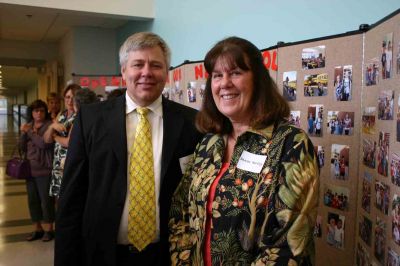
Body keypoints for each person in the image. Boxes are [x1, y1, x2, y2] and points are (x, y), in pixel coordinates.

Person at [54, 32, 202, 266]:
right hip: (104, 254)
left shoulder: (191, 123)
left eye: (156, 65)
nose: (146, 73)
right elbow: (72, 197)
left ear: (166, 72)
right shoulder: (91, 119)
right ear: (124, 71)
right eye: (138, 64)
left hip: (169, 255)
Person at [169, 37, 319, 265]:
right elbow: (181, 212)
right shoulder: (209, 143)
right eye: (217, 75)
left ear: (258, 80)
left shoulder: (292, 144)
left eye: (236, 73)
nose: (225, 83)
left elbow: (291, 242)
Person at [19, 100, 55, 241]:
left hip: (44, 170)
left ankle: (49, 230)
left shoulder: (49, 126)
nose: (38, 113)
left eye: (41, 110)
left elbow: (44, 144)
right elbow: (22, 147)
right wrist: (23, 134)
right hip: (30, 170)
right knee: (32, 200)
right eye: (35, 111)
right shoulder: (30, 126)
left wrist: (30, 133)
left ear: (44, 111)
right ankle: (38, 228)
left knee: (46, 201)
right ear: (32, 113)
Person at [44, 83, 80, 198]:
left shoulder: (78, 116)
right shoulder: (62, 115)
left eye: (73, 97)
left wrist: (55, 137)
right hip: (58, 163)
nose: (70, 101)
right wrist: (51, 127)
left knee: (68, 199)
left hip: (69, 164)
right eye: (67, 97)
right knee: (57, 198)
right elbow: (46, 140)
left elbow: (69, 142)